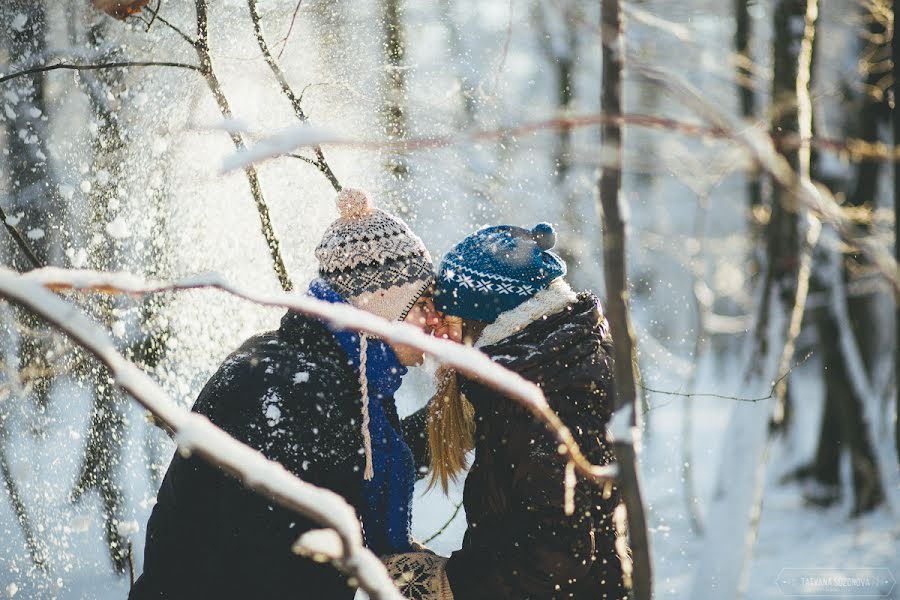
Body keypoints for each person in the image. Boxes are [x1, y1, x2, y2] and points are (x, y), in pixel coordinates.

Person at [130, 188, 439, 599]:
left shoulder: (341, 371)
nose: (435, 321)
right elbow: (281, 565)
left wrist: (457, 418)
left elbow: (354, 463)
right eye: (423, 304)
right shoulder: (296, 393)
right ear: (383, 308)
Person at [384, 223, 627, 600]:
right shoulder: (536, 370)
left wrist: (449, 585)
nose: (438, 337)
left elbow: (558, 552)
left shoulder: (550, 401)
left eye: (450, 322)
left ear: (489, 321)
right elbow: (438, 430)